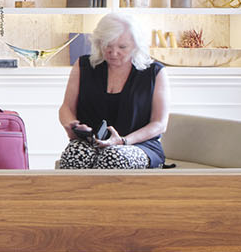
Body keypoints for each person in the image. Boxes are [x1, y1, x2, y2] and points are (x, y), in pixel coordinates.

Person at [56, 10, 168, 169]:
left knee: (113, 156)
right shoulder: (84, 66)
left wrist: (123, 141)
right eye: (108, 45)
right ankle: (73, 195)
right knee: (75, 153)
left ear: (136, 45)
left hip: (139, 145)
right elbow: (66, 108)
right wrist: (71, 125)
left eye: (122, 47)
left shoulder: (154, 72)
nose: (113, 52)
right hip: (92, 143)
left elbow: (160, 124)